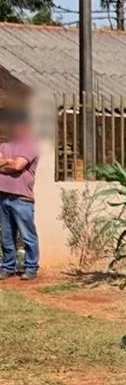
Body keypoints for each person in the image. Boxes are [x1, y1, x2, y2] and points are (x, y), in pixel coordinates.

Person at [0, 109, 40, 281]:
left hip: (22, 199)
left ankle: (31, 268)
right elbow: (15, 165)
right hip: (3, 196)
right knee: (7, 236)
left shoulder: (31, 144)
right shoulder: (4, 145)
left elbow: (18, 165)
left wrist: (6, 164)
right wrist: (11, 162)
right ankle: (8, 267)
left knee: (27, 235)